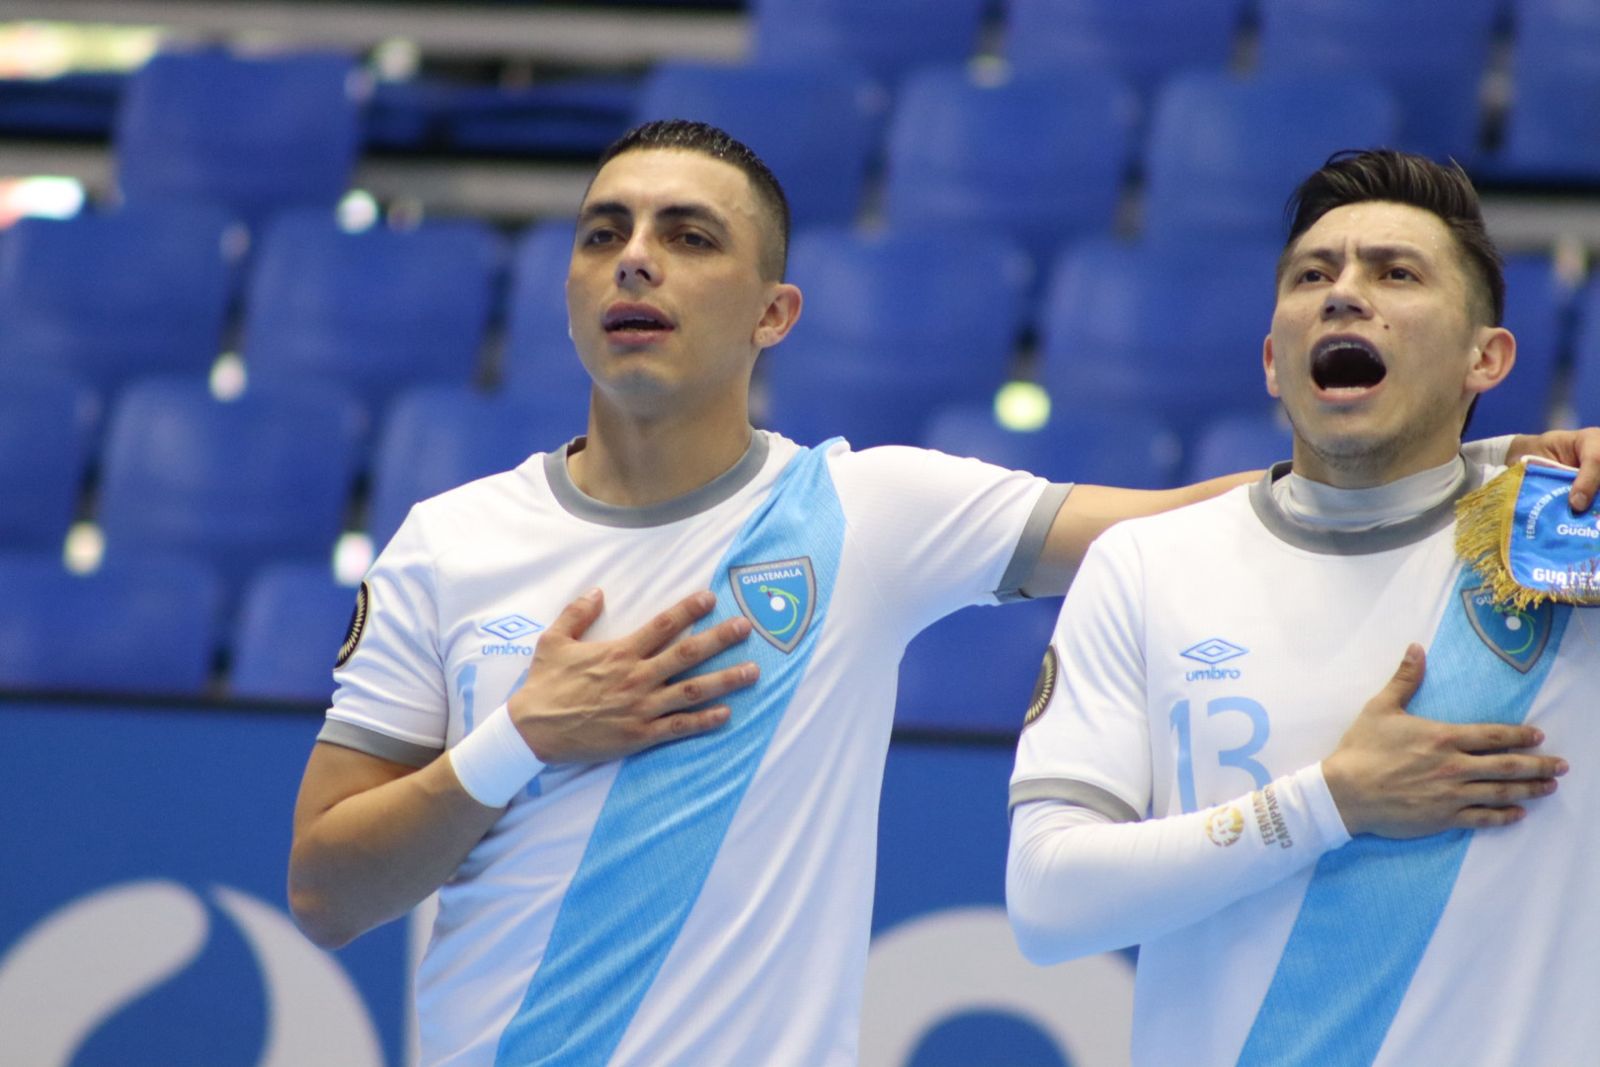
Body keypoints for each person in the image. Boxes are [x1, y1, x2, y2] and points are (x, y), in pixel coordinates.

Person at [288, 124, 1594, 1067]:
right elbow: (327, 890)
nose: (636, 261)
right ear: (566, 288)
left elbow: (1228, 514)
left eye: (689, 237)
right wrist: (520, 734)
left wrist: (1484, 458)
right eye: (603, 234)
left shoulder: (870, 510)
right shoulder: (447, 541)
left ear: (776, 310)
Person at [1008, 148, 1600, 1066]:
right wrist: (1330, 801)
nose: (1344, 293)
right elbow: (1049, 901)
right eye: (1313, 275)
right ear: (1273, 360)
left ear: (1487, 357)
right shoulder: (1148, 563)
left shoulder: (1570, 538)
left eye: (1396, 273)